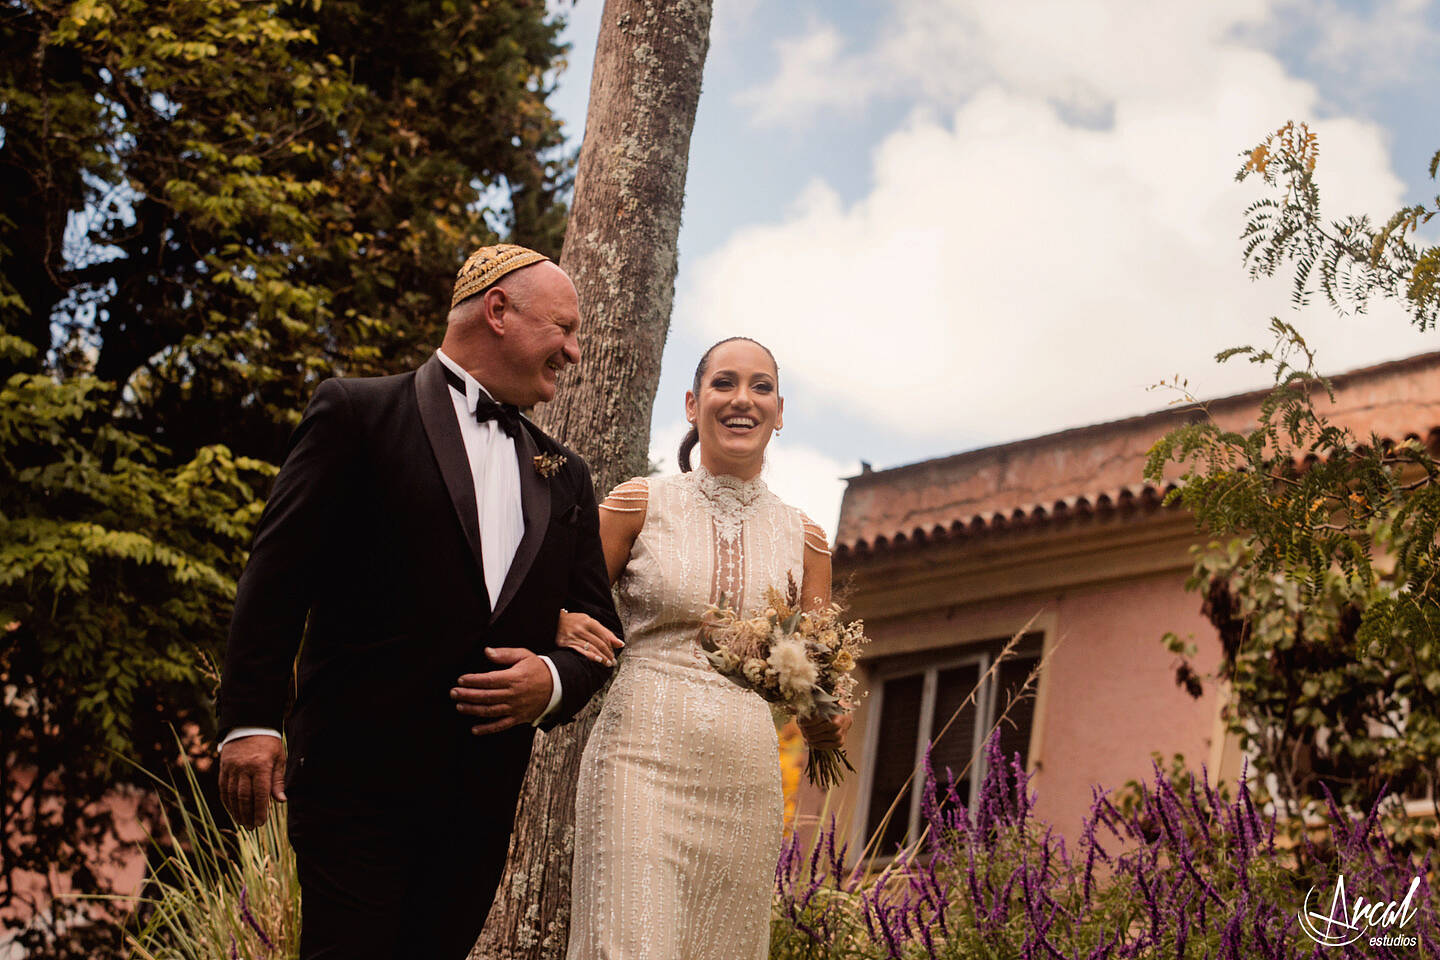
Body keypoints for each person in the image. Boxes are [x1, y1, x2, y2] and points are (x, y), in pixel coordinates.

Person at [215, 245, 623, 960]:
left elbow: (599, 634)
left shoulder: (566, 477)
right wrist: (249, 719)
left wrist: (551, 680)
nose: (575, 351)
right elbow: (278, 575)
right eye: (562, 328)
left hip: (480, 803)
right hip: (354, 783)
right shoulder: (357, 413)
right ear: (497, 311)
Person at [558, 337, 848, 960]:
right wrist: (558, 625)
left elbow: (816, 677)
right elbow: (562, 602)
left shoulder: (808, 539)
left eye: (761, 387)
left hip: (745, 782)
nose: (742, 399)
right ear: (693, 404)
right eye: (724, 383)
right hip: (639, 763)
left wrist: (825, 722)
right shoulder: (639, 502)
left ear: (778, 411)